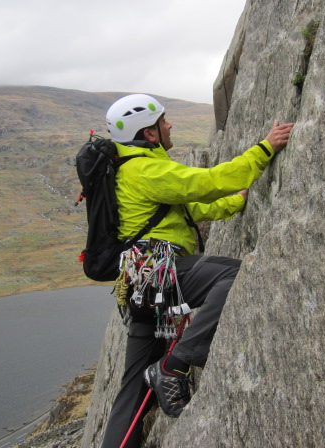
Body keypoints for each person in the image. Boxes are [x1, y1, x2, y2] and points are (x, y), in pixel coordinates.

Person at [100, 94, 294, 448]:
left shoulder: (134, 168)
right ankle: (175, 365)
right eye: (164, 120)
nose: (170, 124)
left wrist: (236, 203)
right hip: (159, 274)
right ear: (151, 134)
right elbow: (207, 182)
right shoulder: (145, 169)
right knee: (234, 274)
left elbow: (191, 208)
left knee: (132, 389)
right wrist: (264, 149)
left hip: (140, 284)